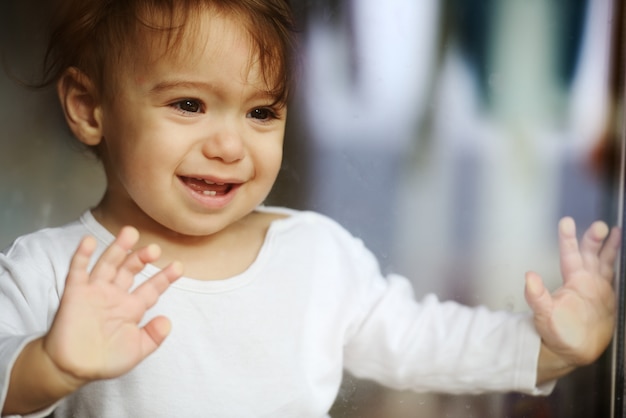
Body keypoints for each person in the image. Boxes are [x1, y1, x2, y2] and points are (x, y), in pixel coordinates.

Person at [0, 0, 621, 417]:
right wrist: (49, 365)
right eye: (188, 104)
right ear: (89, 108)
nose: (228, 145)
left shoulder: (316, 254)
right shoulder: (56, 269)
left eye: (261, 112)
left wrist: (555, 348)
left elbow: (427, 340)